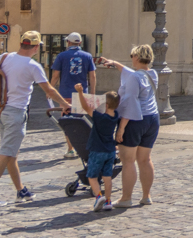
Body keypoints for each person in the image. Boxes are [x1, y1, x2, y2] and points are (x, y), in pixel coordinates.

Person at [0, 31, 72, 207]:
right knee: (6, 154)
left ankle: (21, 191)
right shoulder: (33, 65)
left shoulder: (5, 57)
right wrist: (65, 104)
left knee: (12, 153)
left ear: (21, 44)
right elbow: (48, 90)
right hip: (15, 113)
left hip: (0, 111)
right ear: (36, 47)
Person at [98, 45, 160, 208]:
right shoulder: (152, 74)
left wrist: (121, 128)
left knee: (129, 161)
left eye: (132, 55)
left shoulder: (134, 78)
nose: (131, 58)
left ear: (137, 58)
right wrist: (115, 64)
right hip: (152, 119)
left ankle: (126, 198)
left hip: (135, 121)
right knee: (145, 160)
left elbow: (131, 103)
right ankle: (146, 196)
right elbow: (133, 73)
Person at [74, 84, 121, 212]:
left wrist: (80, 92)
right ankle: (108, 200)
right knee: (107, 176)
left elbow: (85, 107)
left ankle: (99, 196)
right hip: (110, 151)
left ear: (105, 105)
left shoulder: (100, 117)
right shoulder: (115, 116)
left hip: (97, 150)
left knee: (92, 176)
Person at [51, 33, 96, 160]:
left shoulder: (62, 56)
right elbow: (92, 76)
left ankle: (71, 149)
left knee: (68, 122)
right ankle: (83, 147)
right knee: (81, 121)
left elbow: (55, 76)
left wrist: (50, 90)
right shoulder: (87, 56)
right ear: (80, 43)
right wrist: (91, 93)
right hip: (81, 94)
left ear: (68, 43)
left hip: (65, 94)